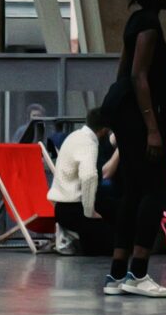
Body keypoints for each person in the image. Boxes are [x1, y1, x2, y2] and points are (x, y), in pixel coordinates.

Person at [98, 0, 166, 299]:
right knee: (155, 190)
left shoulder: (135, 21)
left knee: (132, 191)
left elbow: (122, 72)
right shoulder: (149, 23)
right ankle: (139, 273)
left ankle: (117, 274)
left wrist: (122, 119)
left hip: (129, 116)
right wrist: (152, 129)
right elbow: (138, 75)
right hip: (147, 115)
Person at [48, 110, 115, 257]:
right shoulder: (89, 144)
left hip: (61, 207)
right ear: (104, 130)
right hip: (74, 209)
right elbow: (89, 177)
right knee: (112, 246)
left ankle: (81, 237)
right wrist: (90, 212)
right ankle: (78, 238)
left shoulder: (75, 136)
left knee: (109, 207)